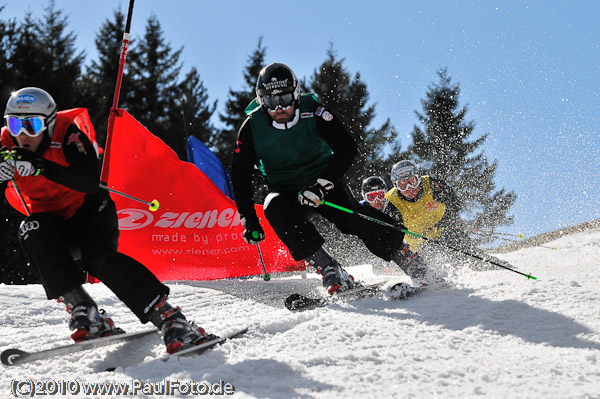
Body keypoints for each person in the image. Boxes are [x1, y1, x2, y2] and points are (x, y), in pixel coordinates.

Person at [0, 87, 215, 354]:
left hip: (90, 212)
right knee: (30, 228)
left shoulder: (69, 133)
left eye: (32, 125)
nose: (22, 134)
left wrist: (41, 166)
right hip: (53, 223)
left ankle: (172, 320)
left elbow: (90, 182)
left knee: (99, 260)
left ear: (49, 123)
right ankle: (83, 308)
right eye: (14, 124)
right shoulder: (5, 143)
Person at [230, 63, 436, 293]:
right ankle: (328, 267)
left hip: (321, 180)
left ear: (296, 94)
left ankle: (409, 259)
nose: (279, 108)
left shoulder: (315, 112)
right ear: (261, 101)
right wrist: (248, 218)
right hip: (285, 189)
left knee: (350, 218)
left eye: (285, 98)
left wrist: (321, 184)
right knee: (273, 207)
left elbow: (347, 148)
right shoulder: (251, 128)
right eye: (270, 101)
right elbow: (240, 174)